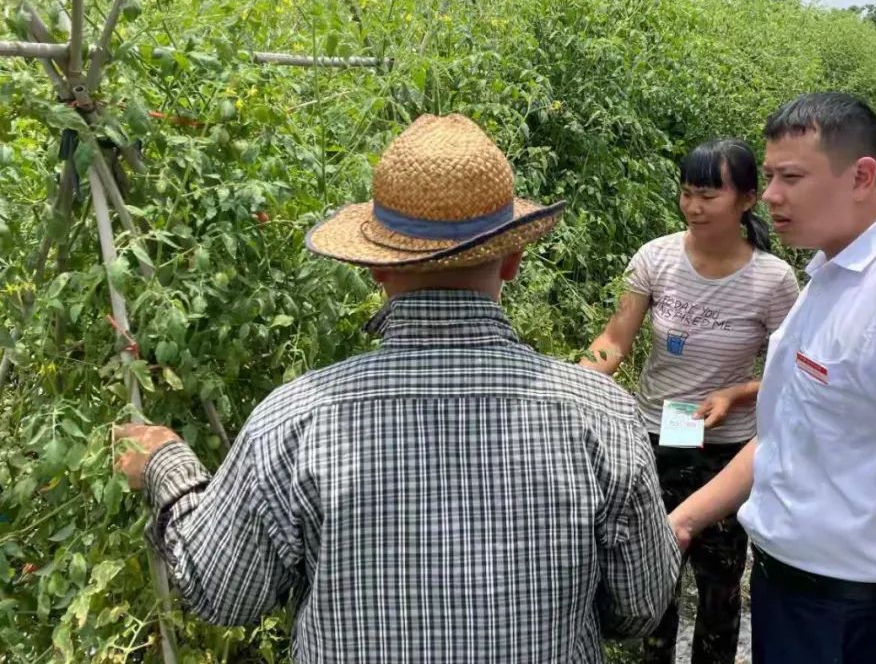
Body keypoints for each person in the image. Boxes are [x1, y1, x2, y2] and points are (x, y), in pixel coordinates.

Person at [113, 113, 680, 664]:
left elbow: (223, 592)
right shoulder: (602, 416)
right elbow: (639, 607)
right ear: (513, 260)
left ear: (376, 267)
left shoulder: (294, 420)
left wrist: (167, 465)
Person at [669, 93, 876, 664]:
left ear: (861, 176)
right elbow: (785, 435)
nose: (769, 196)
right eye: (769, 176)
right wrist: (685, 520)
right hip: (788, 594)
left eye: (791, 177)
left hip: (851, 616)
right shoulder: (829, 277)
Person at [581, 138, 800, 664]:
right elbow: (613, 341)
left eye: (708, 195)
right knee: (653, 582)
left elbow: (793, 379)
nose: (694, 207)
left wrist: (736, 392)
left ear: (747, 199)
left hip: (726, 452)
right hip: (650, 443)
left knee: (720, 588)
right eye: (685, 194)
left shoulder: (774, 281)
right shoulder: (655, 259)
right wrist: (574, 383)